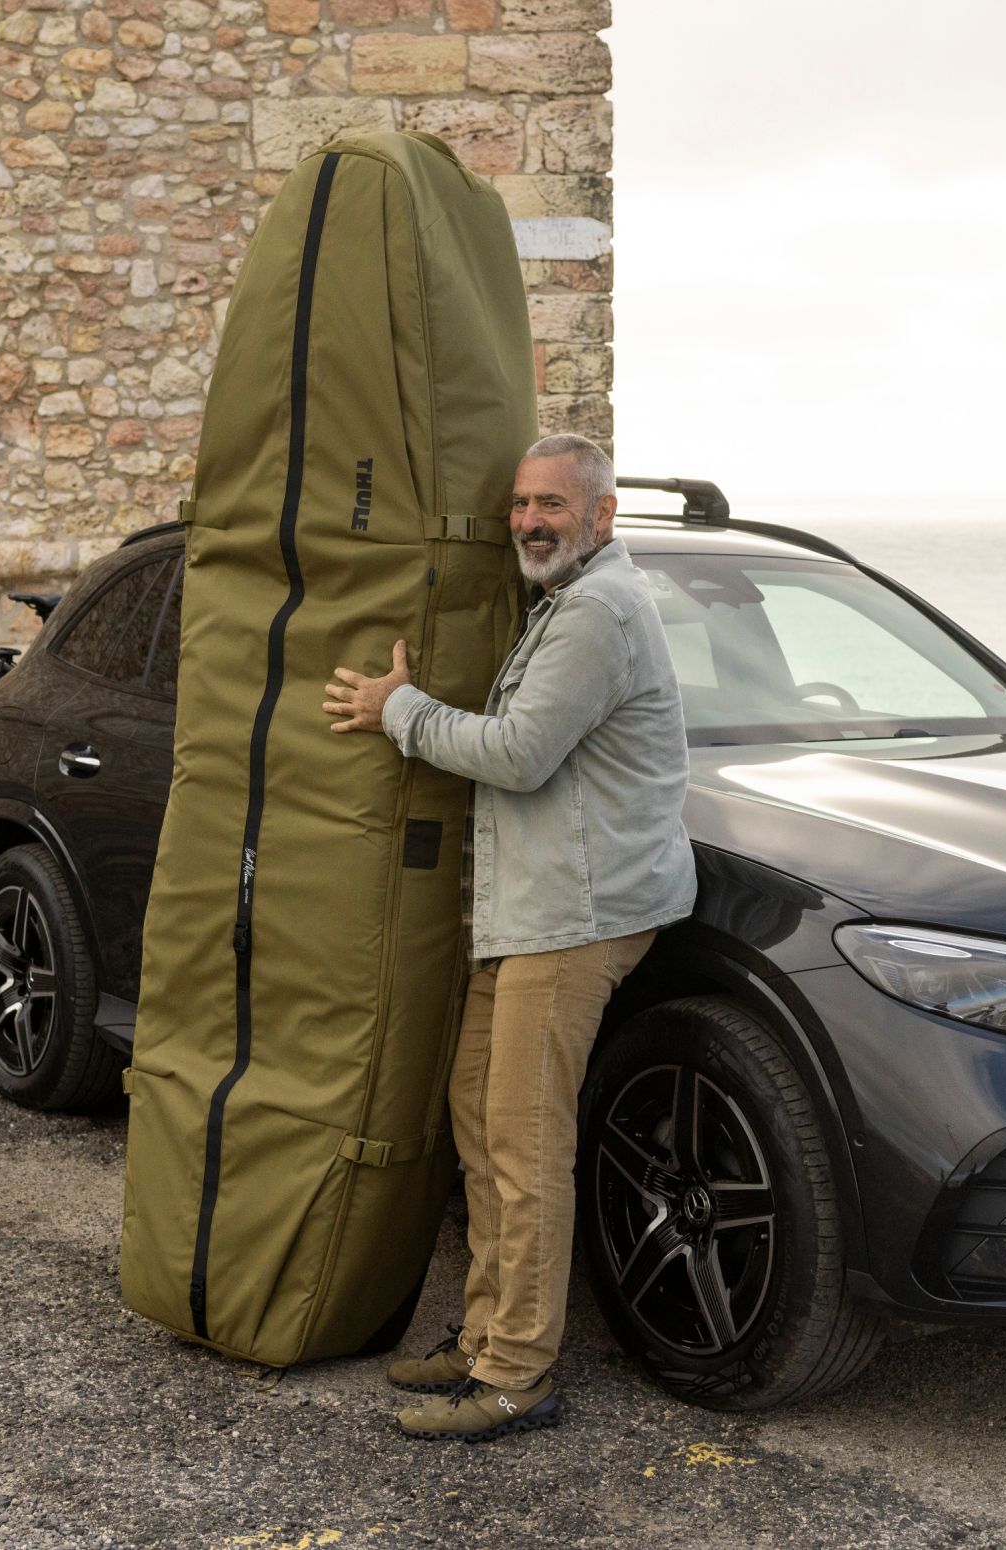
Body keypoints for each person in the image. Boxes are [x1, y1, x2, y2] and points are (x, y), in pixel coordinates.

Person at [322, 433, 696, 1442]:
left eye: (552, 505)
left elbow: (521, 755)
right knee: (480, 1119)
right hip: (531, 909)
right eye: (520, 503)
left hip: (575, 916)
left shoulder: (596, 613)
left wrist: (395, 707)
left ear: (602, 516)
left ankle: (520, 1373)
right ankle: (487, 1334)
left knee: (524, 1142)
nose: (529, 520)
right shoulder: (562, 603)